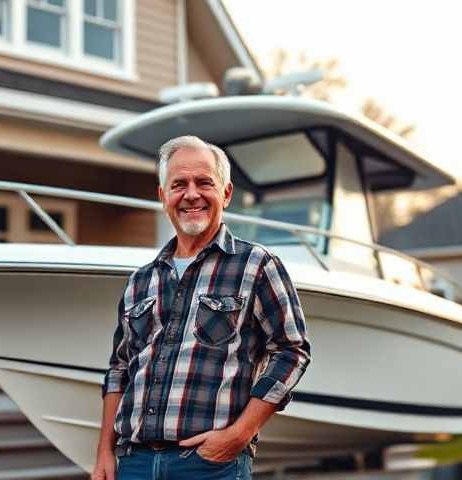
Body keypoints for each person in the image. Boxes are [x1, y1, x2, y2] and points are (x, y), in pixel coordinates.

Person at [92, 135, 311, 480]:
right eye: (179, 184)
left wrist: (238, 435)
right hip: (134, 464)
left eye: (204, 182)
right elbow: (120, 368)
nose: (191, 194)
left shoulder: (257, 265)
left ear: (225, 193)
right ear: (163, 196)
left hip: (210, 466)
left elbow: (291, 351)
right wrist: (104, 452)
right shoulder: (140, 280)